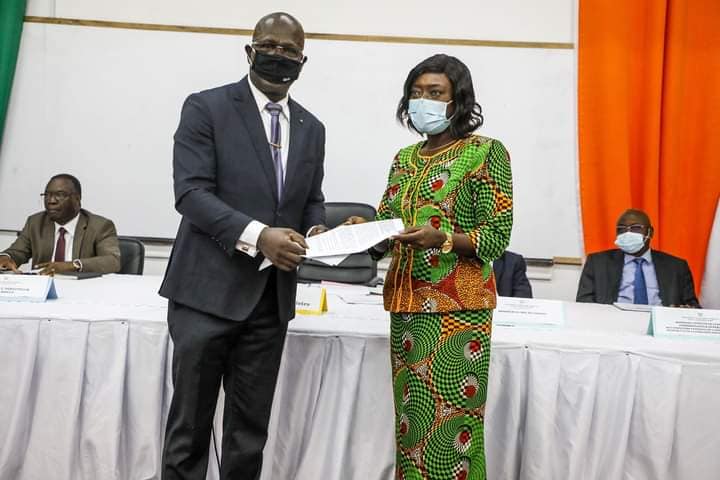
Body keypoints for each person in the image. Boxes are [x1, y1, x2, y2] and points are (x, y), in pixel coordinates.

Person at [158, 12, 327, 480]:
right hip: (205, 295)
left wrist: (316, 231)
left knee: (249, 435)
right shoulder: (206, 107)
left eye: (289, 50)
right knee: (189, 430)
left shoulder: (312, 127)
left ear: (302, 61)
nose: (278, 55)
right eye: (268, 45)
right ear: (249, 51)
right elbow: (191, 193)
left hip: (270, 301)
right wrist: (259, 236)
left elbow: (310, 199)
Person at [351, 54, 512, 480]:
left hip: (457, 312)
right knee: (412, 427)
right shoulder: (404, 158)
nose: (423, 100)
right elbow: (389, 228)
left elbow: (495, 236)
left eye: (435, 92)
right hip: (405, 309)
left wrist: (441, 238)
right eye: (416, 93)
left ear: (458, 100)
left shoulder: (485, 152)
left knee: (448, 432)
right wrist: (362, 232)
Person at [576, 208, 700, 307]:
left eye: (636, 228)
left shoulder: (676, 267)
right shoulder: (597, 263)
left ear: (650, 232)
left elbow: (691, 307)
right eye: (621, 229)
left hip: (659, 323)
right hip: (614, 322)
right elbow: (583, 304)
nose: (627, 233)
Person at [0, 173, 120, 274]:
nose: (51, 201)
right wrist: (6, 258)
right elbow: (17, 251)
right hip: (43, 286)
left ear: (77, 199)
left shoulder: (100, 226)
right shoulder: (35, 223)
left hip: (82, 287)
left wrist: (73, 265)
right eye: (47, 195)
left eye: (60, 195)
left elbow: (112, 261)